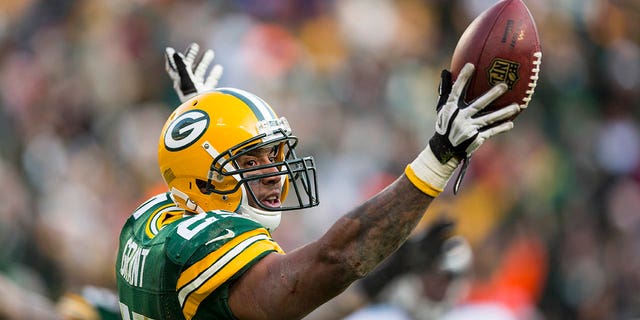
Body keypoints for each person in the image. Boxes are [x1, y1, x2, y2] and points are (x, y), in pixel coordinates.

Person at [115, 42, 522, 320]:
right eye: (251, 161)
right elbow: (330, 261)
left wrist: (206, 118)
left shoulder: (151, 218)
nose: (275, 173)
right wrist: (438, 158)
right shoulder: (195, 247)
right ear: (203, 181)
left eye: (273, 155)